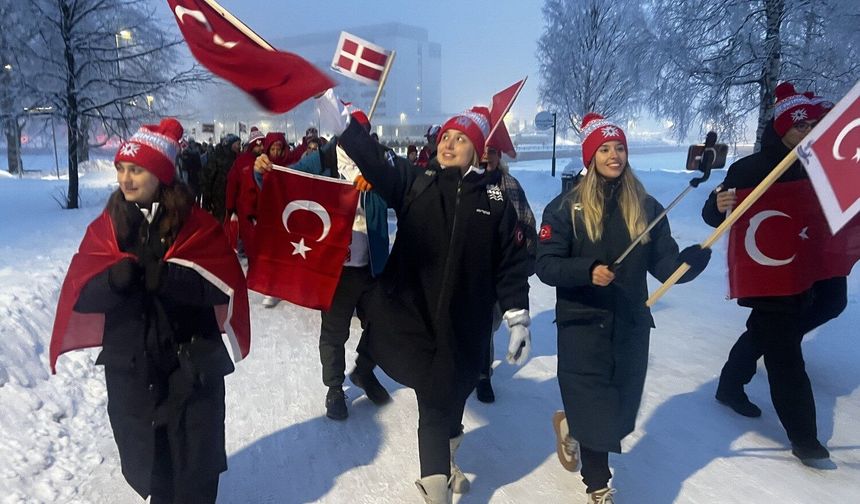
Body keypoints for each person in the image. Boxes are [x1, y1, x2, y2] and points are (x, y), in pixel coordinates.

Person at [335, 105, 531, 503]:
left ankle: (448, 456)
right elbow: (377, 160)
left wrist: (517, 317)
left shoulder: (495, 200)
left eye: (460, 139)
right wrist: (344, 126)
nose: (449, 144)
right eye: (445, 138)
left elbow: (509, 266)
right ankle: (436, 485)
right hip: (414, 318)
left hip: (466, 327)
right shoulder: (417, 182)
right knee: (434, 404)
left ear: (477, 150)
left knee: (453, 398)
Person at [49, 118, 250, 504]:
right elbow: (80, 295)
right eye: (121, 168)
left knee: (195, 467)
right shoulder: (107, 228)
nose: (125, 179)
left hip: (191, 368)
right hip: (133, 372)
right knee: (155, 470)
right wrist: (113, 282)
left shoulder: (197, 226)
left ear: (161, 174)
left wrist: (171, 279)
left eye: (136, 170)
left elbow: (225, 287)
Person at [537, 113, 711, 503]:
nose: (613, 155)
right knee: (596, 408)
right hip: (583, 324)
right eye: (604, 149)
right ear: (591, 156)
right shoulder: (565, 208)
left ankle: (573, 426)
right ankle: (598, 485)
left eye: (619, 148)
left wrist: (688, 264)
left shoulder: (646, 207)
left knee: (620, 408)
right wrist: (587, 271)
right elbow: (545, 264)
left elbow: (664, 265)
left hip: (630, 323)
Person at [702, 82, 841, 466]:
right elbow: (712, 216)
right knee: (784, 352)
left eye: (812, 126)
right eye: (800, 127)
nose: (807, 133)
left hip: (811, 264)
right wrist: (718, 203)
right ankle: (805, 440)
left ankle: (730, 384)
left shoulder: (820, 164)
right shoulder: (750, 169)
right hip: (769, 272)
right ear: (782, 129)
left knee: (830, 303)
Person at [254, 109, 392, 421]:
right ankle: (334, 387)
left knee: (383, 326)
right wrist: (263, 171)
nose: (356, 140)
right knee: (334, 331)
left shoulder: (379, 162)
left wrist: (382, 183)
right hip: (335, 267)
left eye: (361, 135)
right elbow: (285, 179)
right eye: (350, 133)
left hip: (373, 263)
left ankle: (364, 370)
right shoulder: (322, 160)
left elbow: (406, 187)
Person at [475, 144, 537, 403]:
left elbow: (527, 222)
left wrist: (526, 255)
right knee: (479, 325)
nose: (486, 155)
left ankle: (480, 367)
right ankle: (480, 374)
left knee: (489, 324)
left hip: (502, 269)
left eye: (492, 151)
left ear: (498, 156)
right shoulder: (466, 182)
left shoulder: (509, 185)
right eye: (482, 149)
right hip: (474, 270)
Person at [226, 126, 266, 261]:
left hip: (263, 208)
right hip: (246, 209)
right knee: (249, 241)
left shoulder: (266, 161)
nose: (261, 148)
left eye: (262, 145)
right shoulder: (241, 162)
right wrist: (230, 206)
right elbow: (232, 184)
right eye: (258, 146)